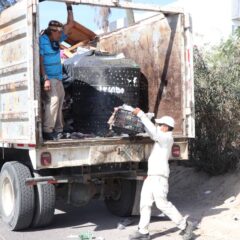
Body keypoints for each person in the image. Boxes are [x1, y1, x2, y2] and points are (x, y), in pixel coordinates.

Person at [129, 108, 194, 240]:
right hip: (152, 176)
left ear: (165, 127)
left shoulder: (166, 138)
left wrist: (141, 114)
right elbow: (152, 132)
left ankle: (185, 226)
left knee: (162, 204)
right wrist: (143, 119)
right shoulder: (161, 138)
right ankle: (143, 232)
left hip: (159, 177)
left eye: (160, 125)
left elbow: (153, 132)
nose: (158, 127)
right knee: (145, 203)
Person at [40, 3, 74, 140]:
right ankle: (47, 130)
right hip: (50, 77)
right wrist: (45, 78)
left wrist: (69, 6)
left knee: (60, 102)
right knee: (53, 101)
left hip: (58, 77)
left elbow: (70, 24)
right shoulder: (42, 40)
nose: (61, 34)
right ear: (52, 31)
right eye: (58, 32)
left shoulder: (56, 39)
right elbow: (40, 60)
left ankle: (58, 130)